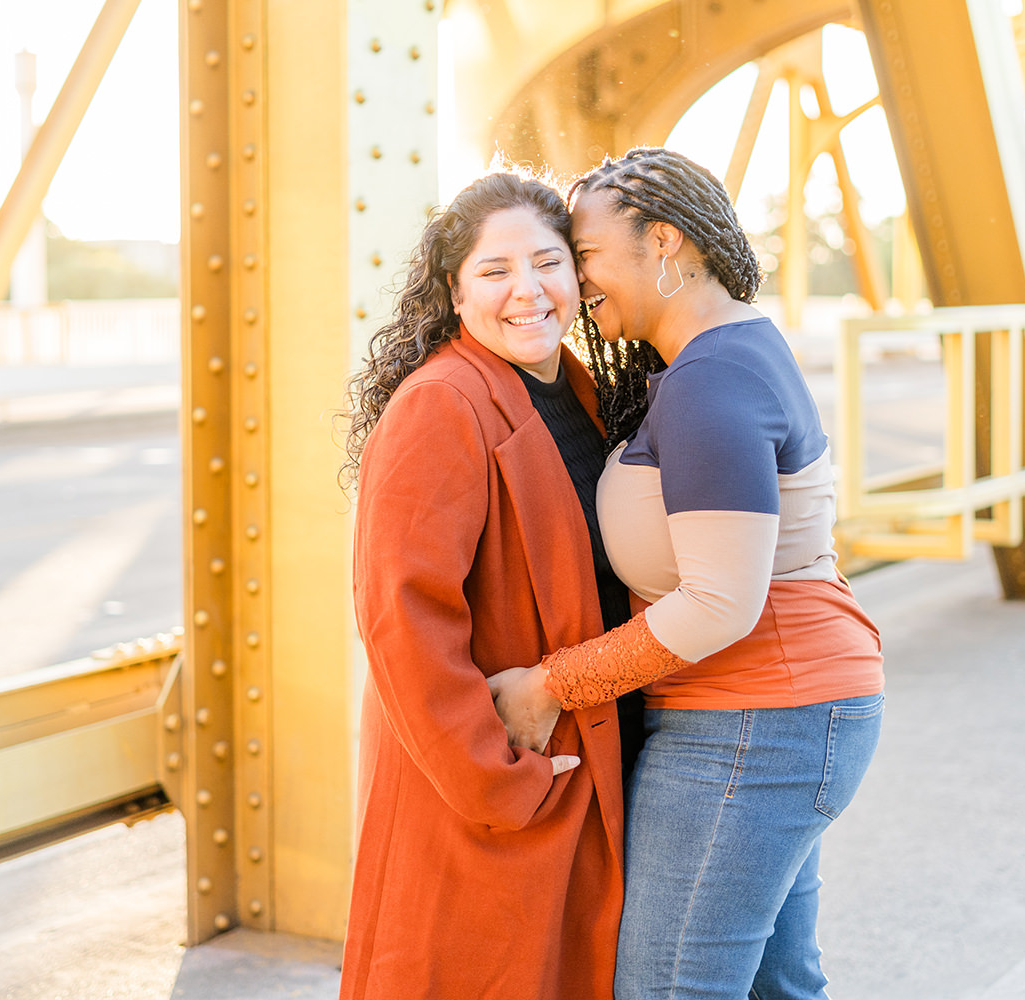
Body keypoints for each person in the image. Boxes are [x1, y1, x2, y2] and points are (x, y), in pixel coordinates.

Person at [488, 147, 886, 1000]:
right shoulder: (718, 359)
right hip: (780, 717)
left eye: (584, 254)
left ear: (663, 242)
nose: (578, 281)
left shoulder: (713, 379)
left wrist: (552, 686)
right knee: (778, 988)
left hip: (755, 726)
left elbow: (718, 603)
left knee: (672, 989)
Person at [338, 171, 629, 999]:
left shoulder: (578, 392)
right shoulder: (441, 403)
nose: (526, 291)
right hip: (486, 792)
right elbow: (402, 616)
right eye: (495, 272)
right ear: (454, 292)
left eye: (547, 263)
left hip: (571, 771)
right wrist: (502, 780)